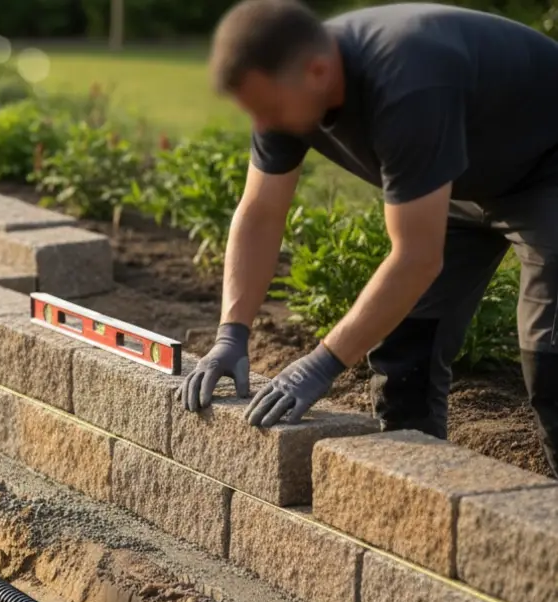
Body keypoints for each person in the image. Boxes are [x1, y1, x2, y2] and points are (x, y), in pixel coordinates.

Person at [181, 0, 558, 477]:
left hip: (546, 165)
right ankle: (420, 492)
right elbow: (259, 213)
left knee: (550, 357)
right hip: (455, 177)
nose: (265, 126)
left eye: (269, 109)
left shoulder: (406, 84)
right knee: (407, 351)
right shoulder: (285, 91)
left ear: (319, 72)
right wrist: (231, 333)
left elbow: (417, 258)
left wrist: (321, 363)